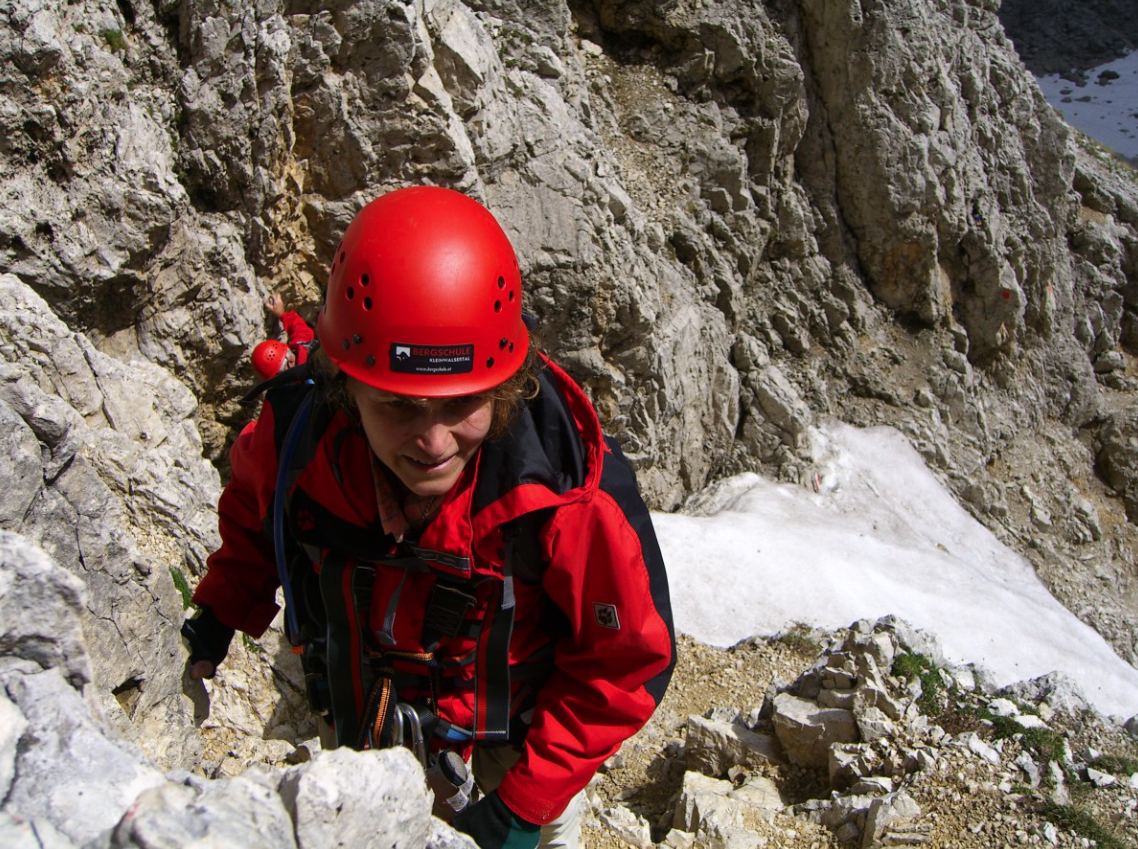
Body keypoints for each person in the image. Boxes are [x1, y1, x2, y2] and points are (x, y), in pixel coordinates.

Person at [183, 186, 675, 849]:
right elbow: (253, 521)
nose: (434, 440)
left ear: (503, 386)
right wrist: (216, 617)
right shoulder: (297, 438)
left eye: (462, 403)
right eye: (397, 405)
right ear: (345, 385)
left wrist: (523, 806)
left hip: (515, 753)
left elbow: (625, 661)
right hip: (365, 731)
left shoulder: (566, 492)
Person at [250, 291, 316, 380]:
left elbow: (300, 331)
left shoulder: (295, 390)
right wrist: (282, 315)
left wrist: (283, 315)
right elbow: (301, 330)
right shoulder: (304, 347)